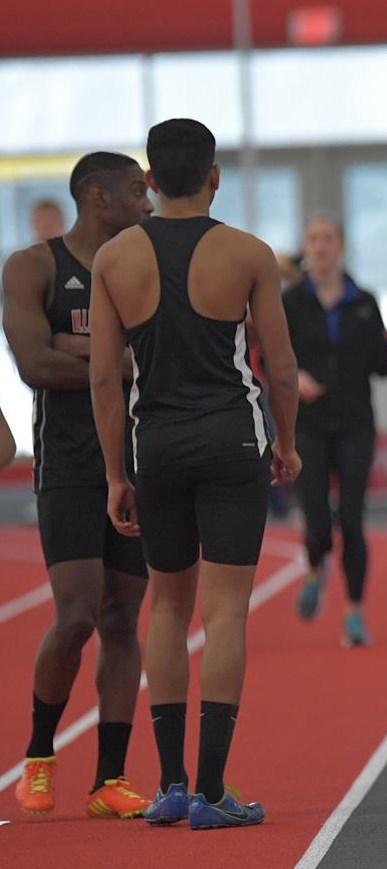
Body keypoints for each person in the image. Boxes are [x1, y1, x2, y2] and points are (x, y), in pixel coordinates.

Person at [88, 118, 301, 830]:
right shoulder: (247, 252)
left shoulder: (115, 258)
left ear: (148, 183)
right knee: (225, 611)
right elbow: (280, 362)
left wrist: (117, 473)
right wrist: (287, 443)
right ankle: (212, 790)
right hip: (230, 441)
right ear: (214, 177)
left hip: (158, 448)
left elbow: (103, 382)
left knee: (168, 610)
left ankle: (172, 784)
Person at [3, 152, 154, 819]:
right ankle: (38, 755)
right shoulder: (33, 266)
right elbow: (33, 363)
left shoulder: (142, 268)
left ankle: (110, 778)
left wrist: (77, 347)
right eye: (136, 193)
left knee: (124, 618)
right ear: (99, 197)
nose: (147, 205)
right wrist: (111, 360)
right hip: (68, 462)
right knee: (78, 614)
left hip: (139, 460)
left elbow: (157, 361)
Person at [283, 216, 387, 647]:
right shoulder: (291, 301)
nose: (320, 247)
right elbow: (269, 359)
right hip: (308, 426)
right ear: (305, 247)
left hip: (354, 423)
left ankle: (354, 613)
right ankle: (315, 567)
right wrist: (295, 377)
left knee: (352, 521)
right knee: (316, 524)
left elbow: (382, 370)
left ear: (341, 246)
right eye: (313, 239)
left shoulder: (363, 301)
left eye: (327, 239)